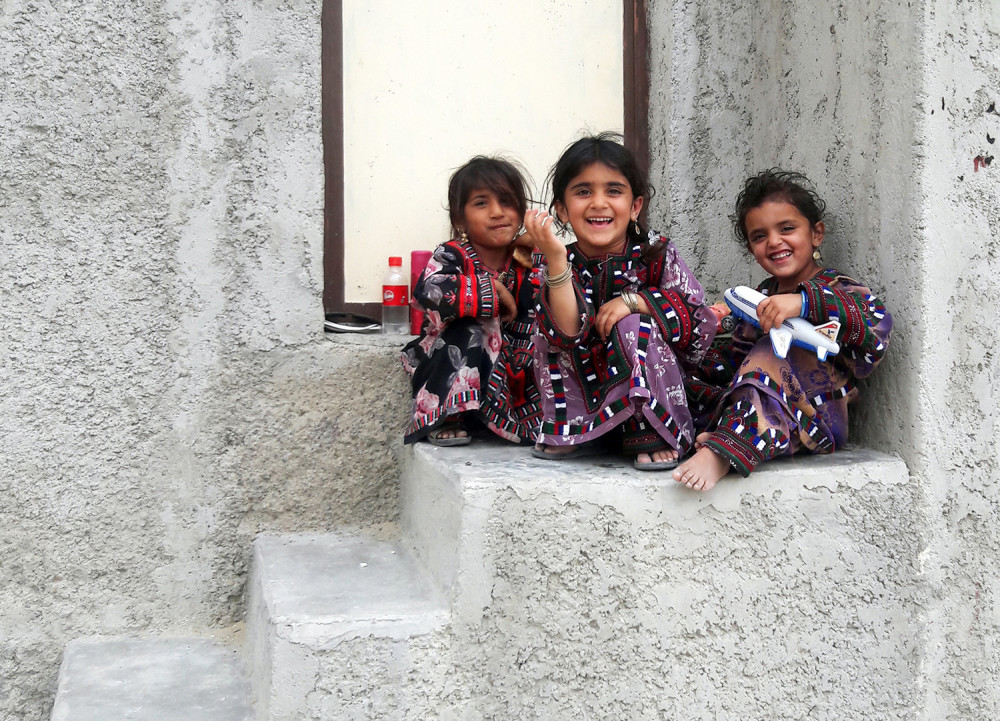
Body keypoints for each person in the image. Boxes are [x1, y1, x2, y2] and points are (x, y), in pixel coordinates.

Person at [674, 169, 893, 491]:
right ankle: (731, 430)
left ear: (816, 234)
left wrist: (804, 303)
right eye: (759, 236)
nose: (774, 242)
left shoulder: (836, 287)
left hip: (815, 417)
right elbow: (738, 357)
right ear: (751, 249)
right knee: (688, 371)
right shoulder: (762, 294)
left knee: (770, 351)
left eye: (787, 228)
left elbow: (877, 324)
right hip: (764, 405)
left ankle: (725, 450)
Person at [522, 133, 716, 470]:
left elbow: (700, 321)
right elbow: (566, 332)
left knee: (633, 325)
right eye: (583, 192)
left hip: (654, 386)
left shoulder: (656, 255)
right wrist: (556, 260)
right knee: (547, 328)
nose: (599, 203)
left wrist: (636, 302)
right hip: (583, 392)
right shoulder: (555, 261)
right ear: (562, 210)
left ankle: (650, 427)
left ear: (635, 207)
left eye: (613, 191)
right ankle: (577, 431)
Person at [402, 156, 541, 446]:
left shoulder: (528, 258)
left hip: (513, 361)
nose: (497, 212)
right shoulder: (452, 254)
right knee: (471, 328)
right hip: (455, 354)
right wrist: (492, 289)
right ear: (459, 219)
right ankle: (448, 414)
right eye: (481, 203)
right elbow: (430, 291)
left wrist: (546, 246)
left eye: (507, 201)